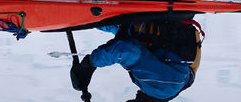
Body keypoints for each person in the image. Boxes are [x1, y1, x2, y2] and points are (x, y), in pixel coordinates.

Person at [70, 18, 203, 102]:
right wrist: (89, 64)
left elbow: (130, 35)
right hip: (162, 8)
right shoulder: (159, 88)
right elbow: (124, 50)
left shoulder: (160, 87)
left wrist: (84, 21)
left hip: (157, 15)